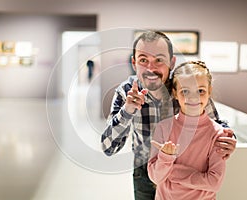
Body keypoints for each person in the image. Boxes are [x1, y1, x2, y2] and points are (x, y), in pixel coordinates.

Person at [101, 31, 236, 200]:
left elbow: (215, 124)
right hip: (144, 171)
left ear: (171, 62)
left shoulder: (185, 86)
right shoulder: (126, 92)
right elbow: (108, 147)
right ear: (134, 63)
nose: (151, 68)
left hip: (188, 170)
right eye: (143, 60)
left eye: (159, 60)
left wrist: (228, 139)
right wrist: (127, 111)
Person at [148, 61, 227, 200]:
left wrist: (170, 170)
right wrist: (166, 158)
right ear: (175, 93)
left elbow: (214, 183)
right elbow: (156, 178)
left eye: (200, 91)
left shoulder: (217, 134)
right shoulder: (163, 128)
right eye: (185, 91)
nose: (193, 97)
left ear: (209, 92)